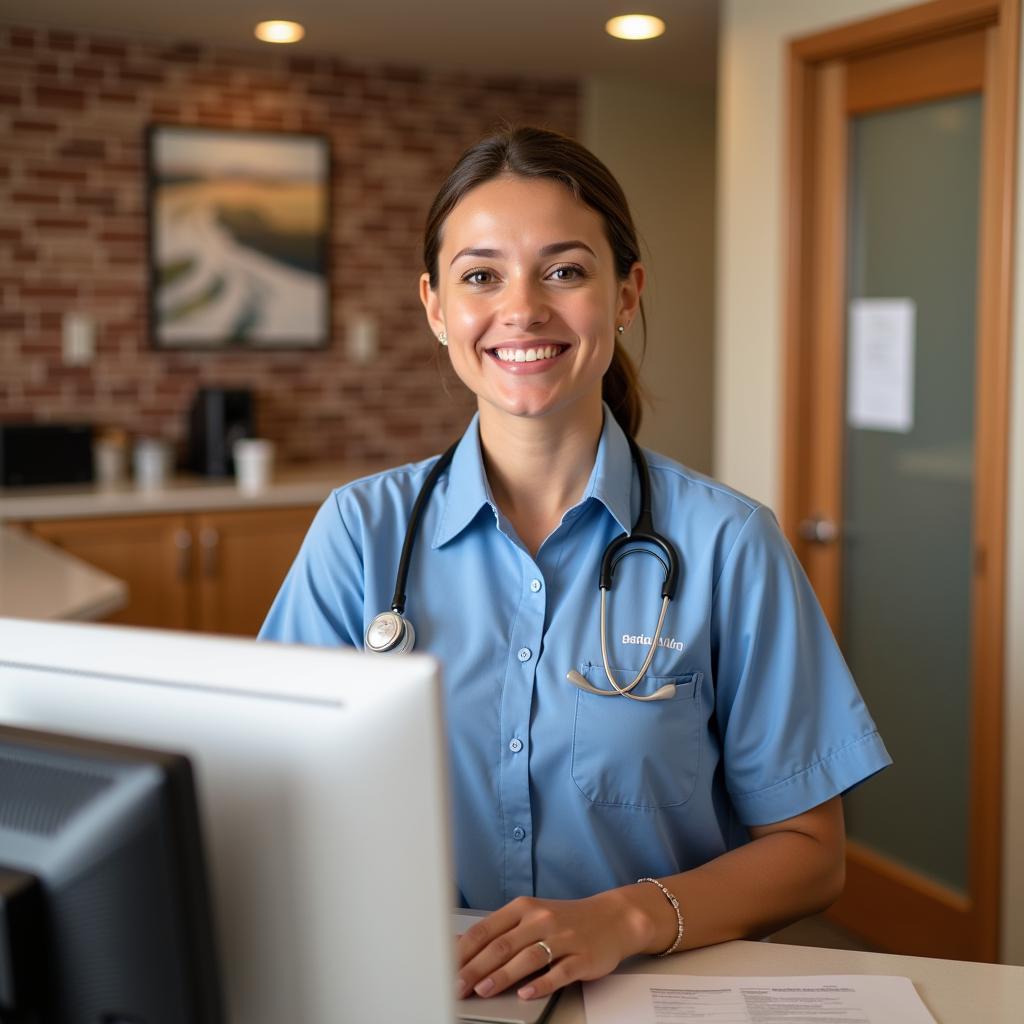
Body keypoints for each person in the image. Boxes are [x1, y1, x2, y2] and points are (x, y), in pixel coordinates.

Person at [259, 126, 891, 1003]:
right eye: (481, 275)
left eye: (565, 270)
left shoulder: (728, 544)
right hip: (419, 995)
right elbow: (268, 798)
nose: (522, 309)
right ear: (437, 307)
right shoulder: (357, 535)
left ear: (626, 293)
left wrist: (625, 917)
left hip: (649, 995)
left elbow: (811, 858)